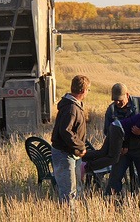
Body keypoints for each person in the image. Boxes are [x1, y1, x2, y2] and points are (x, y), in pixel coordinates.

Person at [82, 104, 140, 173]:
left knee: (103, 152)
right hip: (119, 131)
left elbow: (130, 127)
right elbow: (134, 132)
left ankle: (79, 157)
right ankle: (86, 168)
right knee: (113, 158)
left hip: (115, 126)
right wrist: (125, 145)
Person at [103, 83, 140, 195]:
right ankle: (111, 204)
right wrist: (119, 146)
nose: (117, 103)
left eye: (120, 100)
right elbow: (108, 132)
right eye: (115, 100)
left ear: (127, 95)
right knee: (114, 180)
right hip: (122, 152)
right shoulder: (111, 110)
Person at [51, 74, 90, 203]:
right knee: (68, 193)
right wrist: (81, 147)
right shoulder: (71, 108)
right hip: (64, 154)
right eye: (88, 90)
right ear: (84, 90)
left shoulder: (72, 105)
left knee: (75, 190)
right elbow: (65, 131)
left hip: (70, 153)